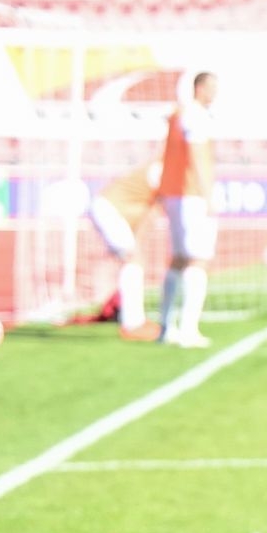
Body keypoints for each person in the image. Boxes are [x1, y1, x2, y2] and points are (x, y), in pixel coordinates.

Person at [157, 71, 218, 348]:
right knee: (198, 260)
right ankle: (189, 329)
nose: (215, 93)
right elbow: (196, 156)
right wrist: (207, 195)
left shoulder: (179, 114)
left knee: (179, 259)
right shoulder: (195, 115)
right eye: (212, 87)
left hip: (175, 193)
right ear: (199, 88)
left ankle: (166, 326)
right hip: (190, 195)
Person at [87, 163, 160, 339]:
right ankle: (133, 324)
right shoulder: (161, 169)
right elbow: (151, 210)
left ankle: (135, 320)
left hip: (111, 211)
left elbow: (146, 209)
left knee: (134, 260)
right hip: (108, 211)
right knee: (133, 261)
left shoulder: (161, 168)